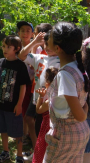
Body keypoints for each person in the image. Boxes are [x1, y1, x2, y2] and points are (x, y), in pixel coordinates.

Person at [37, 22, 90, 163]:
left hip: (65, 135)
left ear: (57, 48)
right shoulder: (78, 67)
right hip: (80, 133)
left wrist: (84, 110)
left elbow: (79, 115)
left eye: (50, 38)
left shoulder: (65, 74)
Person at [18, 31, 60, 161]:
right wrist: (35, 42)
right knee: (31, 120)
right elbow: (21, 55)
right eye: (46, 43)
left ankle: (43, 153)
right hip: (36, 98)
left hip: (49, 102)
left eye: (50, 44)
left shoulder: (61, 60)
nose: (47, 47)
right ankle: (37, 151)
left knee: (45, 129)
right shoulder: (39, 57)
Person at [0, 35, 31, 163]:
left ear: (17, 49)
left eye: (8, 47)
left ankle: (19, 155)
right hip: (0, 105)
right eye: (3, 46)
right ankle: (5, 152)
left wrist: (19, 104)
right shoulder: (0, 62)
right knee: (2, 129)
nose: (5, 49)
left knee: (17, 131)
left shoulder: (20, 66)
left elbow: (23, 86)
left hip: (13, 107)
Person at [33, 66, 58, 163]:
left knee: (43, 150)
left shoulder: (50, 101)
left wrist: (41, 97)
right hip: (58, 130)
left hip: (47, 130)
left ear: (47, 84)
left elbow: (38, 110)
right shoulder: (63, 97)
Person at [16, 21, 35, 146]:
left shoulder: (37, 48)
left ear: (33, 33)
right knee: (19, 108)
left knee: (27, 110)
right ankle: (21, 133)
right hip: (17, 83)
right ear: (18, 33)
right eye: (22, 30)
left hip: (31, 84)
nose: (25, 33)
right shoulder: (15, 47)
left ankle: (26, 134)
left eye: (28, 30)